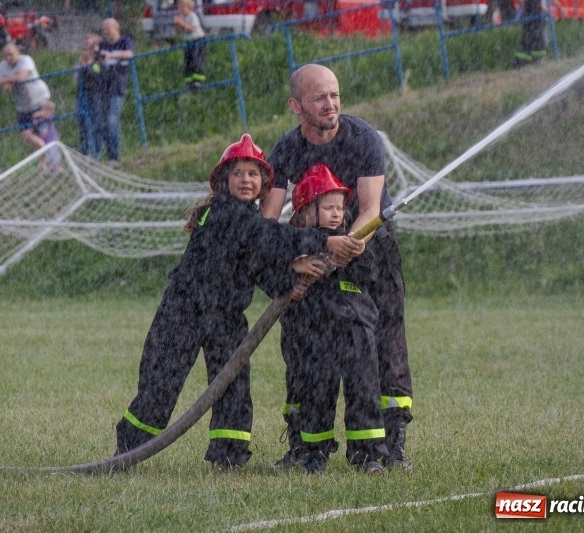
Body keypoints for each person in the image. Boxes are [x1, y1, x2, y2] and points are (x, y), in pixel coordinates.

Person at [113, 134, 365, 470]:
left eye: (253, 174)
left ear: (263, 184)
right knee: (161, 383)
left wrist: (291, 279)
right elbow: (269, 237)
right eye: (238, 173)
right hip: (184, 312)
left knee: (232, 385)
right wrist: (324, 239)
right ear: (223, 180)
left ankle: (228, 457)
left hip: (226, 316)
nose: (245, 180)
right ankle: (128, 450)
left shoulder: (249, 222)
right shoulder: (224, 212)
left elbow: (256, 265)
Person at [260, 63, 414, 470]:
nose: (330, 105)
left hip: (369, 249)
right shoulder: (287, 149)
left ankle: (389, 442)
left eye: (335, 95)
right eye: (319, 98)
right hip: (310, 255)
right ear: (296, 106)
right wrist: (295, 262)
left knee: (382, 343)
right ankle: (305, 444)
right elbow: (267, 220)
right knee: (303, 347)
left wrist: (342, 248)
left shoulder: (362, 138)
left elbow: (368, 210)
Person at [282, 163, 389, 475]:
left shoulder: (353, 240)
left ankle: (367, 454)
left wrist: (353, 256)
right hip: (315, 332)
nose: (336, 214)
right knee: (316, 392)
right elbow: (285, 280)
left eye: (340, 208)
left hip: (356, 330)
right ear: (303, 212)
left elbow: (371, 275)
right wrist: (304, 264)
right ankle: (314, 453)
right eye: (327, 207)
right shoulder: (298, 244)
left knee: (364, 390)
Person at [0, 43, 51, 150]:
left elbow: (21, 77)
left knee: (44, 133)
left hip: (40, 101)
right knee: (25, 134)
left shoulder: (26, 60)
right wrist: (4, 84)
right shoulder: (3, 65)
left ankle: (47, 162)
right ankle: (44, 150)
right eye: (6, 56)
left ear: (18, 53)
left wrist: (4, 81)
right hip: (23, 106)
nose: (8, 58)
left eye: (11, 55)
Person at [95, 18, 134, 166]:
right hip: (103, 86)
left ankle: (114, 156)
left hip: (117, 86)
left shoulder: (125, 41)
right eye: (104, 29)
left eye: (108, 28)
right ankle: (105, 154)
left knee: (112, 120)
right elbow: (96, 59)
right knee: (103, 123)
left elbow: (129, 54)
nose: (105, 31)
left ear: (116, 28)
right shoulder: (102, 44)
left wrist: (111, 56)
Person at [512, 0, 565, 68]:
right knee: (533, 42)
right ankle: (523, 64)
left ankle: (532, 63)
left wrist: (560, 8)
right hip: (533, 18)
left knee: (539, 42)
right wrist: (547, 12)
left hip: (539, 19)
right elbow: (533, 4)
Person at [75, 33, 102, 158]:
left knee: (96, 122)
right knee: (83, 124)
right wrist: (83, 66)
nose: (86, 41)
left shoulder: (99, 56)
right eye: (85, 40)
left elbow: (97, 72)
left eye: (88, 39)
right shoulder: (81, 58)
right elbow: (75, 77)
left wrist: (87, 67)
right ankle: (84, 153)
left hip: (96, 93)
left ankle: (96, 152)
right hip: (82, 93)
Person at [174, 0, 207, 90]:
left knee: (196, 59)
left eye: (183, 7)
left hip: (197, 40)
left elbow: (192, 29)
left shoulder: (192, 16)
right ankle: (188, 82)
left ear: (189, 7)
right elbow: (178, 32)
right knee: (188, 61)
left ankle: (198, 81)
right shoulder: (182, 17)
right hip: (188, 41)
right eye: (180, 7)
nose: (181, 9)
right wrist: (178, 25)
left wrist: (182, 23)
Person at [32, 100, 61, 171]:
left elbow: (47, 116)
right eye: (44, 109)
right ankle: (44, 167)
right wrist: (35, 119)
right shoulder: (40, 119)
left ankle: (56, 167)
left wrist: (38, 114)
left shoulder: (49, 117)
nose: (45, 112)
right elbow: (34, 120)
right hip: (44, 140)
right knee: (45, 155)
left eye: (48, 110)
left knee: (54, 154)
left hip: (52, 139)